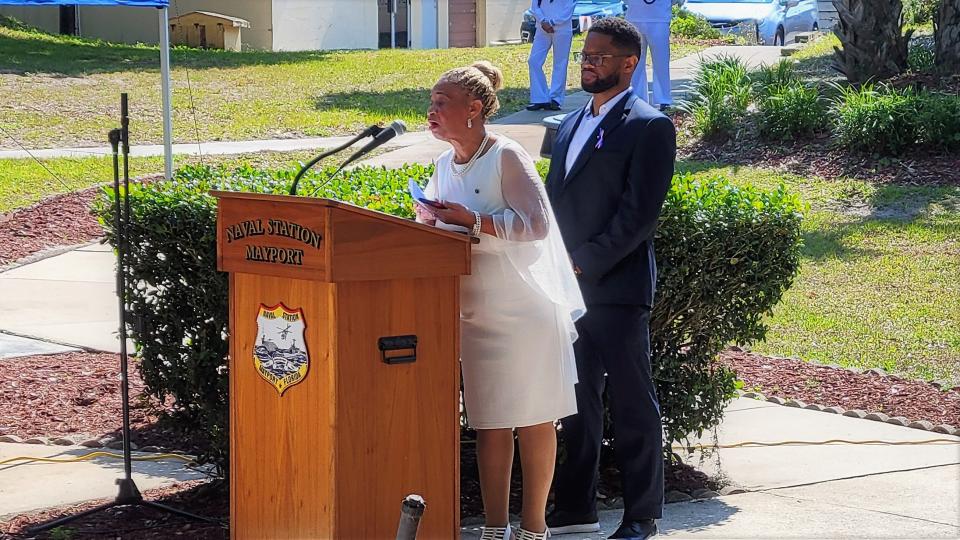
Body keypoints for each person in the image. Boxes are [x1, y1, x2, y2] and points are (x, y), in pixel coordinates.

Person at [415, 61, 586, 540]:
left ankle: (534, 528)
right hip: (475, 314)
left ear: (474, 109)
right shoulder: (442, 165)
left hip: (523, 310)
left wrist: (473, 221)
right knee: (489, 422)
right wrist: (429, 223)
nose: (431, 111)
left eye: (440, 103)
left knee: (532, 418)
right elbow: (441, 228)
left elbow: (537, 226)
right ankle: (495, 528)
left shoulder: (507, 155)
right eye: (430, 103)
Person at [543, 17, 676, 540]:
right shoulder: (570, 124)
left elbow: (638, 216)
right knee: (575, 402)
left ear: (629, 64)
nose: (588, 62)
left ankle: (642, 514)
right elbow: (554, 204)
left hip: (616, 292)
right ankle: (576, 507)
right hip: (566, 289)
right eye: (585, 54)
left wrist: (584, 261)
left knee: (632, 402)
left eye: (600, 56)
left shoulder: (649, 126)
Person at [526, 0, 576, 111]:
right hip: (542, 28)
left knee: (560, 63)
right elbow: (535, 6)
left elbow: (568, 9)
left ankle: (555, 99)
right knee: (534, 61)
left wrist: (552, 22)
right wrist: (543, 21)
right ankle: (540, 98)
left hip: (562, 29)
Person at [625, 0, 673, 110]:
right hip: (635, 18)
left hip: (660, 18)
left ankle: (663, 99)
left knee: (661, 61)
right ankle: (637, 97)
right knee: (636, 62)